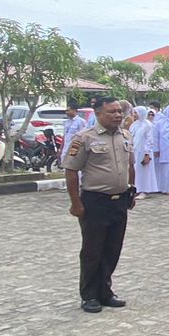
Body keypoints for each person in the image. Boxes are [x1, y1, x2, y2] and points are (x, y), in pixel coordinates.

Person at [63, 96, 135, 314]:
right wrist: (75, 203)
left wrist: (132, 189)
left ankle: (105, 291)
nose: (117, 115)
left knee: (113, 249)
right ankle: (89, 295)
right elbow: (71, 170)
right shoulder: (84, 138)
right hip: (95, 202)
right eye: (111, 112)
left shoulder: (125, 135)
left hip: (119, 200)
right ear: (98, 114)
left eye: (119, 112)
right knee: (92, 251)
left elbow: (130, 165)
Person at [131, 106, 159, 196]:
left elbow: (149, 140)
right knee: (136, 170)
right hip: (135, 151)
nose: (134, 115)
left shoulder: (148, 125)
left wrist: (147, 153)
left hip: (144, 151)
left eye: (136, 113)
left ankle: (144, 190)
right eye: (134, 113)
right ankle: (137, 189)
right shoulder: (134, 124)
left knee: (144, 171)